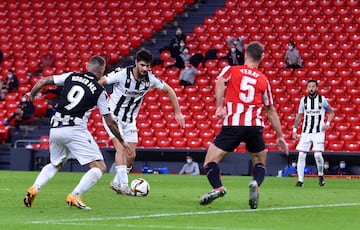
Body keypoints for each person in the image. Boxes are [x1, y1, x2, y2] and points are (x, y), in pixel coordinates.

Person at [23, 55, 130, 210]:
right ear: (102, 71)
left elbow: (43, 81)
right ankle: (75, 195)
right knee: (99, 167)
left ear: (87, 66)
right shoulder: (100, 91)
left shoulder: (71, 76)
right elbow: (109, 120)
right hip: (74, 128)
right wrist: (122, 140)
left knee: (56, 163)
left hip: (55, 127)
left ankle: (35, 187)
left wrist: (32, 94)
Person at [198, 41, 289, 209]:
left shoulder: (232, 70)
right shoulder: (263, 80)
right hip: (254, 126)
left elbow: (219, 82)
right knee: (260, 161)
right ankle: (255, 183)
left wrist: (219, 106)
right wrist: (280, 136)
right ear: (261, 58)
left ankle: (218, 187)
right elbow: (270, 110)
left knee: (210, 161)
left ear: (245, 54)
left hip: (233, 124)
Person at [98, 49, 185, 195]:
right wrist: (100, 99)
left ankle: (116, 182)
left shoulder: (151, 78)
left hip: (130, 120)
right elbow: (100, 82)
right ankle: (125, 186)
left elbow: (169, 90)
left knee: (131, 155)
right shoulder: (121, 74)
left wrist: (178, 112)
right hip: (113, 117)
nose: (145, 69)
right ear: (136, 63)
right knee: (120, 148)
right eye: (143, 65)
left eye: (148, 66)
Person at [292, 79, 335, 187]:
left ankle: (320, 176)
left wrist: (328, 123)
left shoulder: (322, 99)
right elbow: (299, 116)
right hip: (306, 132)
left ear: (317, 88)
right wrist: (294, 130)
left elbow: (331, 112)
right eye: (309, 86)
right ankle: (300, 180)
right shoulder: (304, 100)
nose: (311, 88)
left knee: (317, 155)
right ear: (307, 88)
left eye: (313, 86)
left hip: (318, 132)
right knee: (301, 155)